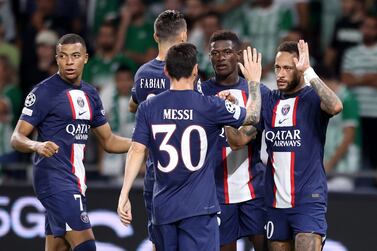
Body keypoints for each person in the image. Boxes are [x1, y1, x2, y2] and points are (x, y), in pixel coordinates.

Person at [117, 42, 262, 251]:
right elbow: (253, 115)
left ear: (166, 71)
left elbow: (137, 150)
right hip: (199, 209)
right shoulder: (210, 106)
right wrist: (254, 82)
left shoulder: (148, 107)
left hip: (163, 208)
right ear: (195, 71)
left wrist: (124, 194)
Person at [10, 33, 132, 251]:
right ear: (56, 59)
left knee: (59, 247)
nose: (69, 62)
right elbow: (17, 137)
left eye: (75, 56)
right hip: (54, 180)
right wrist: (36, 145)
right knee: (86, 246)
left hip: (75, 180)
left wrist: (144, 143)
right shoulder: (44, 92)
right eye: (63, 56)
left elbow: (110, 142)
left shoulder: (91, 94)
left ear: (85, 58)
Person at [226, 40, 343, 250]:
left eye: (288, 68)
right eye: (277, 68)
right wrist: (226, 111)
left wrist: (308, 71)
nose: (280, 74)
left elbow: (335, 106)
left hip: (308, 200)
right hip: (275, 203)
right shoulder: (269, 101)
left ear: (299, 69)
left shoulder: (311, 98)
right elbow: (238, 140)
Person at [200, 30, 268, 251]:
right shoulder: (200, 93)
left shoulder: (257, 92)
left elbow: (241, 140)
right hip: (217, 191)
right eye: (215, 53)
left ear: (238, 55)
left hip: (254, 189)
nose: (220, 58)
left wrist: (226, 112)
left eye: (227, 52)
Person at [127, 9, 187, 248]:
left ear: (155, 36)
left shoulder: (143, 74)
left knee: (159, 240)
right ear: (184, 36)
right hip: (187, 172)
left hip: (155, 169)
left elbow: (134, 106)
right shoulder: (187, 74)